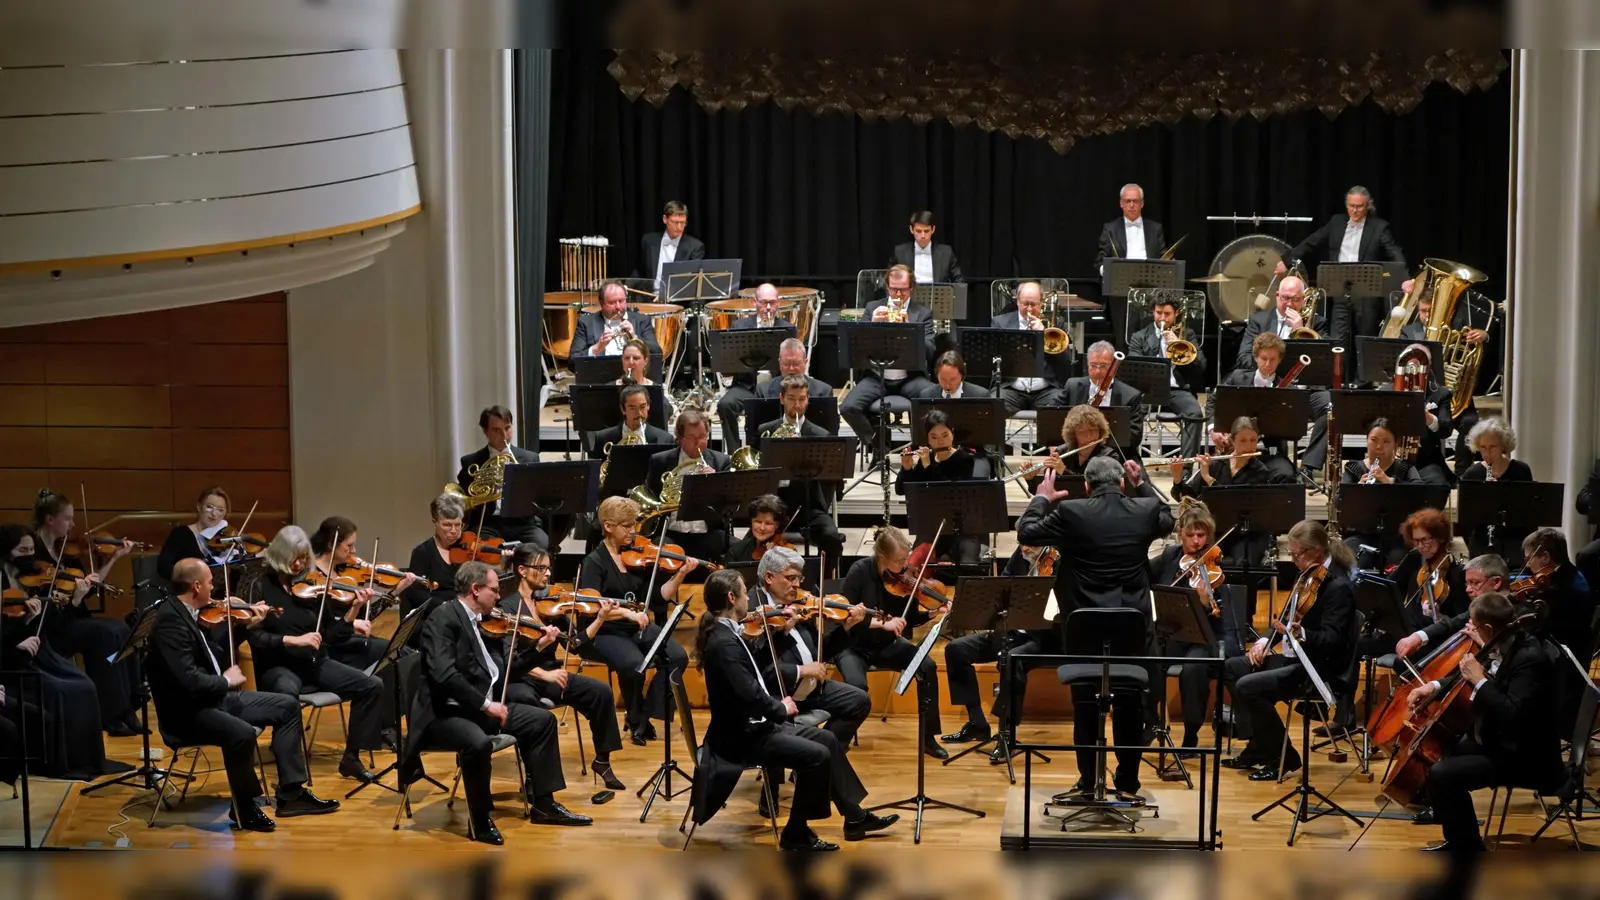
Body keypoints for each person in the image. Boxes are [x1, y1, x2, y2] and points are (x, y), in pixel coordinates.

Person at [694, 569, 895, 850]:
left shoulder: (730, 633)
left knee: (826, 740)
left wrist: (780, 630)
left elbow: (750, 673)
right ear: (731, 597)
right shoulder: (723, 642)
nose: (748, 602)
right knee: (816, 756)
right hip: (742, 736)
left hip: (754, 724)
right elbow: (749, 691)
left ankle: (855, 817)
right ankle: (796, 833)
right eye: (743, 593)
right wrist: (780, 708)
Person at [399, 560, 590, 845]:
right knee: (477, 743)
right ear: (475, 590)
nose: (499, 597)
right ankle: (479, 819)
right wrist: (486, 705)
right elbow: (444, 675)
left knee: (542, 721)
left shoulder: (482, 621)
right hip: (443, 712)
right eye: (494, 590)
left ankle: (544, 804)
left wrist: (540, 647)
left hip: (474, 708)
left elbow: (502, 671)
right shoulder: (443, 619)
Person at [1017, 455, 1173, 794]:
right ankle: (1128, 781)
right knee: (1130, 701)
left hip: (1083, 626)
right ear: (1120, 483)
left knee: (1085, 702)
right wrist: (1143, 481)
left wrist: (1042, 497)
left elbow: (1026, 532)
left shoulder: (1073, 512)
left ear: (1086, 486)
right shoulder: (1144, 508)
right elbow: (1168, 519)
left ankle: (1088, 781)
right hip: (1131, 626)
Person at [148, 558, 340, 832]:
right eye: (211, 582)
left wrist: (243, 626)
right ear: (196, 586)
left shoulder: (190, 612)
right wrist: (225, 681)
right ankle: (244, 807)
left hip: (214, 700)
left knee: (287, 706)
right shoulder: (171, 621)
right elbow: (188, 680)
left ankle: (292, 793)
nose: (215, 587)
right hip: (188, 713)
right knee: (242, 734)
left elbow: (218, 653)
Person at [1402, 591, 1565, 851]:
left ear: (1488, 627)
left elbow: (1513, 715)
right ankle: (1456, 827)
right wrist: (1432, 688)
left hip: (1526, 756)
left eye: (1475, 626)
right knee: (1447, 748)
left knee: (1443, 773)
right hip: (1501, 740)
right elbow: (1465, 677)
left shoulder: (1529, 659)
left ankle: (1464, 847)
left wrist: (1479, 680)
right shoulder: (1504, 643)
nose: (1472, 631)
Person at [243, 526, 385, 784]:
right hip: (279, 666)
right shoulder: (260, 585)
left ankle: (351, 757)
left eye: (303, 558)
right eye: (293, 559)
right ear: (279, 555)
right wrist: (293, 640)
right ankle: (291, 776)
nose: (299, 565)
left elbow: (332, 634)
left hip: (314, 663)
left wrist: (354, 609)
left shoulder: (312, 584)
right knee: (286, 699)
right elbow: (255, 638)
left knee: (372, 686)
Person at [1219, 520, 1355, 781]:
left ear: (1316, 551)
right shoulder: (1306, 573)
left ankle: (1282, 756)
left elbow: (1333, 642)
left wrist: (1301, 633)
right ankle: (1259, 745)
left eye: (1296, 554)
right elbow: (1286, 614)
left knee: (1249, 686)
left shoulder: (1338, 587)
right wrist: (1264, 642)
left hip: (1317, 667)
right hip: (1295, 658)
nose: (1292, 560)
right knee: (1233, 667)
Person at [0, 524, 130, 780]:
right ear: (6, 551)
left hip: (39, 651)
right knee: (65, 692)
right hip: (13, 658)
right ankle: (63, 762)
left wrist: (74, 602)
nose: (28, 555)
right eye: (21, 550)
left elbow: (51, 625)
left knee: (85, 684)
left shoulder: (32, 579)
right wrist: (21, 634)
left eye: (30, 549)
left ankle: (90, 760)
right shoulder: (2, 581)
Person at [1325, 507, 1468, 736]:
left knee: (1404, 662)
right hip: (1400, 632)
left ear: (1440, 537)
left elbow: (1460, 618)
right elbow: (1389, 587)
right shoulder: (1414, 560)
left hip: (1431, 640)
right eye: (1416, 541)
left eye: (1425, 540)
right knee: (1351, 644)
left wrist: (1438, 616)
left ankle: (1397, 727)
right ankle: (1344, 717)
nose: (1421, 546)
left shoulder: (1456, 573)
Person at [495, 544, 625, 791]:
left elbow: (575, 644)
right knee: (527, 703)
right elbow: (506, 660)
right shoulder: (507, 608)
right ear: (522, 570)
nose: (547, 574)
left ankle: (602, 761)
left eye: (548, 568)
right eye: (541, 568)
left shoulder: (549, 604)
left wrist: (600, 619)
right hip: (522, 677)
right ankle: (535, 774)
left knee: (601, 692)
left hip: (553, 676)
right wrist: (544, 673)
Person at [575, 497, 692, 745]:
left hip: (636, 626)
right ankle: (636, 718)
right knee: (633, 664)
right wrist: (627, 613)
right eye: (626, 526)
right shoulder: (593, 563)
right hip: (605, 630)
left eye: (633, 524)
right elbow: (589, 607)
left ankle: (646, 712)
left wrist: (681, 574)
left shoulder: (637, 555)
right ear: (608, 526)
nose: (633, 531)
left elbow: (660, 596)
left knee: (678, 656)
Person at [28, 490, 143, 737]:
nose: (73, 524)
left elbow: (88, 585)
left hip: (73, 620)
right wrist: (75, 598)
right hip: (51, 628)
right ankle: (111, 714)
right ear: (50, 520)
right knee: (106, 633)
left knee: (121, 629)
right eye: (68, 518)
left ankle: (127, 706)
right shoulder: (34, 554)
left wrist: (114, 558)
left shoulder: (64, 551)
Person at [835, 527, 949, 759]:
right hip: (853, 646)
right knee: (858, 689)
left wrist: (932, 613)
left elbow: (909, 619)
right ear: (881, 557)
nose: (905, 565)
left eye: (905, 558)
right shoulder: (859, 572)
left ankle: (928, 738)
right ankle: (838, 742)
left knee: (926, 666)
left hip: (886, 645)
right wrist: (881, 623)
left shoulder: (902, 581)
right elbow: (845, 616)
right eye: (899, 561)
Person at [940, 546, 1057, 762]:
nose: (1025, 548)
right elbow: (1000, 587)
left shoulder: (1059, 562)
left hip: (1042, 639)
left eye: (1031, 544)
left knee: (1011, 660)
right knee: (956, 649)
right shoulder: (1020, 556)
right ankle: (977, 724)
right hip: (1011, 630)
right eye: (1022, 542)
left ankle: (1007, 735)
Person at [1147, 502, 1228, 752]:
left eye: (1201, 535)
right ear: (1180, 533)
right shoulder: (1171, 556)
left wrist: (1205, 603)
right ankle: (1150, 722)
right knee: (1147, 659)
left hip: (1200, 638)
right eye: (1190, 534)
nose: (1195, 541)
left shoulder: (1213, 566)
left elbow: (1219, 617)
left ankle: (1191, 732)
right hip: (1169, 634)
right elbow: (1143, 575)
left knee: (1194, 670)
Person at [1278, 186, 1407, 341]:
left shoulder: (1379, 227)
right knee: (1338, 340)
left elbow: (1394, 252)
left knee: (1365, 340)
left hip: (1365, 295)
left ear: (1368, 205)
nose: (1355, 210)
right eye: (1351, 206)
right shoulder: (1336, 222)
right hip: (1340, 291)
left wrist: (1405, 278)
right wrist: (1287, 260)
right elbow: (1312, 242)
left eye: (1359, 206)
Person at [839, 265, 937, 455]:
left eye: (903, 289)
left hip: (910, 377)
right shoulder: (873, 308)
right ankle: (878, 444)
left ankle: (920, 449)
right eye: (893, 289)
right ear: (887, 286)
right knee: (848, 408)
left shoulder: (922, 313)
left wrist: (911, 328)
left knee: (933, 402)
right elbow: (857, 346)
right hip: (877, 376)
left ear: (912, 288)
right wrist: (871, 325)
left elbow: (930, 350)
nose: (898, 294)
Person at [1209, 332, 1330, 483]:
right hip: (1235, 450)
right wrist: (1213, 429)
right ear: (1255, 358)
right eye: (1263, 359)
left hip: (1270, 452)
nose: (1267, 364)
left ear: (1280, 360)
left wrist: (1282, 421)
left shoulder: (1289, 390)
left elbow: (1295, 434)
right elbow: (1213, 402)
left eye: (1273, 359)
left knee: (1285, 475)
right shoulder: (1237, 378)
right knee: (1211, 472)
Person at [755, 375, 845, 574]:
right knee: (749, 544)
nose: (797, 404)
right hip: (774, 505)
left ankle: (826, 584)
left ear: (808, 399)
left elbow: (831, 479)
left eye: (802, 399)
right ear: (781, 398)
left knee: (831, 537)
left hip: (808, 504)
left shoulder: (820, 435)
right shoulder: (766, 431)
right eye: (792, 398)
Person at [307, 517, 401, 672]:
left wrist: (396, 591)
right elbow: (319, 624)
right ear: (332, 544)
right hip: (332, 648)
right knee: (393, 654)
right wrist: (352, 622)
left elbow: (366, 617)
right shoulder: (312, 579)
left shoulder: (343, 573)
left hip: (351, 639)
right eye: (349, 545)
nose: (354, 551)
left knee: (401, 652)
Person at [716, 283, 799, 452]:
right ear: (755, 302)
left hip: (776, 386)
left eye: (773, 302)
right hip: (747, 386)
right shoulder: (740, 327)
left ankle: (779, 450)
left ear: (778, 303)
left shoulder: (787, 328)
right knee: (725, 404)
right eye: (763, 302)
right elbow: (730, 363)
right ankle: (735, 453)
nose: (768, 307)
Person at [1127, 294, 1207, 468]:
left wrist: (1179, 343)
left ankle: (1185, 469)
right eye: (1159, 312)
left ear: (1176, 313)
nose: (1162, 318)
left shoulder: (1188, 335)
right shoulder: (1139, 337)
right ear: (1153, 312)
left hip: (1177, 391)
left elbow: (1200, 366)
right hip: (1148, 391)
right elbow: (1133, 368)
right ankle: (1132, 465)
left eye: (1167, 313)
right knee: (1130, 414)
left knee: (1194, 414)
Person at [644, 409, 732, 567]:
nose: (699, 443)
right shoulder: (660, 461)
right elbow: (651, 496)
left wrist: (717, 483)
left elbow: (728, 507)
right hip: (671, 533)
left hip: (707, 533)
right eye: (692, 438)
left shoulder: (721, 462)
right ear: (679, 438)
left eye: (703, 437)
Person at [894, 410, 981, 566]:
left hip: (960, 528)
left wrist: (928, 465)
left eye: (945, 435)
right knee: (915, 565)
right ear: (927, 438)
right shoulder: (926, 459)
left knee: (969, 564)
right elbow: (901, 490)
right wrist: (906, 468)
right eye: (934, 437)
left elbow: (947, 491)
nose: (940, 442)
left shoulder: (964, 460)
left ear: (952, 434)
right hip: (931, 527)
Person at [454, 404, 547, 547]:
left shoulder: (530, 458)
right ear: (485, 431)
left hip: (522, 524)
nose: (504, 435)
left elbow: (539, 495)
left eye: (507, 428)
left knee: (539, 543)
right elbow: (465, 497)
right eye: (496, 430)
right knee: (480, 549)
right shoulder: (471, 462)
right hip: (488, 524)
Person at [1340, 418, 1424, 567]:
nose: (1379, 446)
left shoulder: (1405, 469)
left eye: (1386, 441)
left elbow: (1420, 496)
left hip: (1397, 537)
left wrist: (1390, 482)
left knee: (1401, 565)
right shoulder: (1353, 469)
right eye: (1374, 440)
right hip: (1360, 535)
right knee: (1353, 563)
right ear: (1367, 441)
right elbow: (1338, 501)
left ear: (1395, 445)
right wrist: (1356, 490)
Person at [1457, 417, 1533, 565]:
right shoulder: (1472, 474)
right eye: (1483, 447)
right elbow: (1466, 521)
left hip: (1513, 537)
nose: (1487, 453)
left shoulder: (1521, 470)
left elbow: (1528, 515)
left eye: (1492, 447)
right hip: (1483, 538)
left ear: (1504, 446)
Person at [988, 282, 1065, 415]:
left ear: (1041, 303)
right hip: (1011, 390)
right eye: (1025, 304)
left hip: (1046, 391)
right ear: (1017, 302)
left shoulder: (1055, 324)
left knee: (1058, 406)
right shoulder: (1000, 322)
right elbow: (992, 357)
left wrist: (1044, 334)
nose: (1029, 309)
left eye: (1034, 304)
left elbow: (1064, 361)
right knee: (995, 404)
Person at [1385, 343, 1455, 486]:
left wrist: (1427, 416)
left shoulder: (1440, 394)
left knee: (1438, 484)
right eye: (1409, 367)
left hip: (1425, 461)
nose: (1412, 373)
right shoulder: (1386, 392)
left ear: (1427, 369)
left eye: (1417, 367)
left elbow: (1446, 430)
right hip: (1390, 458)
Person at [1026, 404, 1127, 500]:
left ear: (1100, 431)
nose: (1088, 436)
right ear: (1073, 434)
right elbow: (1045, 494)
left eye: (1092, 430)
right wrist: (1031, 479)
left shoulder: (1109, 457)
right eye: (1082, 432)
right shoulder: (1061, 452)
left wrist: (1064, 471)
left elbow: (1093, 493)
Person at [1059, 342, 1146, 453]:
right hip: (1077, 453)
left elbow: (1134, 437)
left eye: (1103, 366)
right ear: (1087, 364)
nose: (1097, 371)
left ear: (1114, 366)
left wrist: (1097, 441)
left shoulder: (1131, 395)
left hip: (1116, 453)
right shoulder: (1072, 386)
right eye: (1093, 365)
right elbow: (1052, 417)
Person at [589, 385, 675, 487]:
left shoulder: (665, 439)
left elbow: (667, 477)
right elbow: (594, 475)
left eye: (642, 407)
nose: (639, 413)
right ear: (623, 409)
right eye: (632, 408)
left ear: (648, 406)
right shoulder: (603, 438)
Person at [1234, 276, 1326, 371]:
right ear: (1277, 295)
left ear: (1303, 299)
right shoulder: (1258, 321)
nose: (1289, 304)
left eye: (1295, 299)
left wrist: (1300, 332)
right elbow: (1243, 358)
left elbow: (1324, 360)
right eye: (1285, 298)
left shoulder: (1317, 322)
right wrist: (1267, 365)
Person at [403, 494, 468, 619]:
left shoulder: (469, 548)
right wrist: (445, 607)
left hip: (467, 612)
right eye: (447, 525)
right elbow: (416, 593)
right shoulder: (422, 552)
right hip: (437, 615)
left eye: (458, 524)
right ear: (435, 523)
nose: (454, 531)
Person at [156, 486, 235, 582]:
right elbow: (163, 567)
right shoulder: (180, 534)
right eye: (209, 507)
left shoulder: (226, 539)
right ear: (199, 507)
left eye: (220, 510)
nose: (214, 514)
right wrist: (187, 580)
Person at [570, 280, 665, 360]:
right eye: (612, 303)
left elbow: (658, 355)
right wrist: (596, 348)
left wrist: (635, 338)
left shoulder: (642, 320)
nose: (618, 307)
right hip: (601, 377)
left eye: (621, 301)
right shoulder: (586, 323)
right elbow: (572, 361)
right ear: (602, 304)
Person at [639, 200, 706, 293]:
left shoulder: (695, 247)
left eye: (683, 223)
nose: (679, 227)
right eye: (675, 222)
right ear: (665, 219)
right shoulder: (648, 241)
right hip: (649, 298)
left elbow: (693, 283)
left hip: (677, 301)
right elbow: (639, 271)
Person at [1096, 184, 1168, 268]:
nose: (1131, 205)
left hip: (1149, 276)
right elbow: (1100, 259)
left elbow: (1164, 256)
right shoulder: (1110, 229)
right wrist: (1106, 271)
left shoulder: (1155, 229)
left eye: (1135, 201)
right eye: (1127, 201)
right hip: (1120, 277)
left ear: (1142, 203)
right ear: (1121, 203)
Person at [889, 210, 963, 284]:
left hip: (937, 295)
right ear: (911, 229)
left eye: (926, 231)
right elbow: (888, 280)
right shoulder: (899, 252)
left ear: (933, 229)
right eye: (918, 231)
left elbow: (959, 280)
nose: (923, 236)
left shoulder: (946, 252)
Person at [755, 337, 833, 400]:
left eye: (796, 364)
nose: (791, 369)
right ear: (780, 363)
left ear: (805, 362)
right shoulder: (763, 392)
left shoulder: (823, 392)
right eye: (786, 364)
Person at [916, 350, 992, 400]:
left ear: (962, 376)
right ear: (936, 376)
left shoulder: (980, 396)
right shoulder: (926, 396)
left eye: (953, 379)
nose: (948, 386)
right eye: (943, 379)